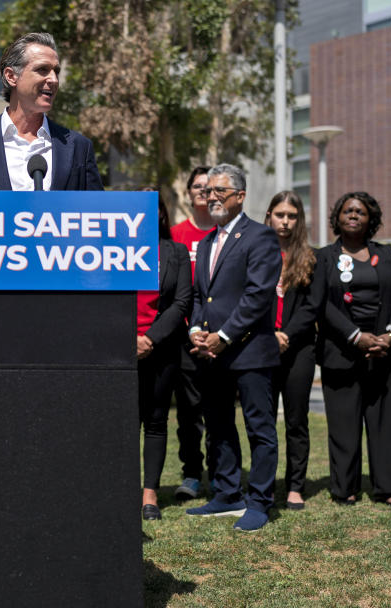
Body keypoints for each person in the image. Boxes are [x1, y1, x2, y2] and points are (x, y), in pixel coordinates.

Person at [185, 164, 281, 532]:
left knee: (259, 429)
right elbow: (199, 295)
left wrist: (223, 337)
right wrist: (195, 329)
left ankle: (258, 501)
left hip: (249, 351)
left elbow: (257, 296)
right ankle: (227, 494)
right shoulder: (206, 241)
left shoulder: (261, 238)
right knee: (219, 426)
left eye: (220, 192)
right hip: (210, 354)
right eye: (208, 192)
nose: (212, 198)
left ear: (240, 196)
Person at [311, 191, 391, 509]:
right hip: (340, 351)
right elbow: (321, 303)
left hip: (383, 350)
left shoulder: (388, 254)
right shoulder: (323, 257)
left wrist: (390, 335)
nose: (354, 215)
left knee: (384, 420)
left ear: (371, 219)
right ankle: (345, 488)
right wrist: (356, 336)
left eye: (361, 212)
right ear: (337, 218)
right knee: (343, 423)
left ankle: (388, 488)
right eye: (347, 211)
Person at [0, 32, 102, 191]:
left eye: (56, 71)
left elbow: (97, 211)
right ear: (11, 76)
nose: (53, 79)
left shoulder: (79, 147)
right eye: (42, 69)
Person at [138, 193, 192, 520]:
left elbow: (181, 303)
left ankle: (150, 494)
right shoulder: (114, 248)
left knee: (156, 421)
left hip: (161, 349)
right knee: (120, 423)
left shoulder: (177, 252)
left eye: (153, 206)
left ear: (162, 213)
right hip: (121, 347)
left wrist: (150, 339)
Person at [264, 191, 318, 511]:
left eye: (292, 216)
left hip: (299, 348)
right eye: (280, 214)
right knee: (264, 420)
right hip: (262, 345)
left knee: (297, 420)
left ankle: (295, 486)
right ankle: (266, 485)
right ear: (269, 215)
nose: (285, 221)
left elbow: (312, 306)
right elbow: (250, 298)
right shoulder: (255, 252)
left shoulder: (311, 257)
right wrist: (270, 332)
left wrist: (285, 334)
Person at [168, 166, 215, 499]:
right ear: (188, 193)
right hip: (184, 336)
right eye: (197, 186)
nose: (203, 191)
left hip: (221, 339)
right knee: (188, 411)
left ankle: (223, 472)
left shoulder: (227, 233)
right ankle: (191, 473)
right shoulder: (175, 235)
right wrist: (188, 331)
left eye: (209, 187)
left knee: (219, 409)